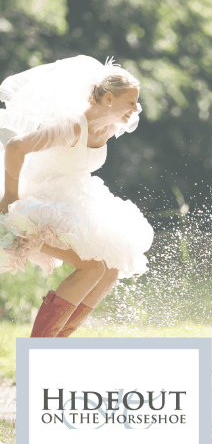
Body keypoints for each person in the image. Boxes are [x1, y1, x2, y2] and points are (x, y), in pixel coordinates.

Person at [0, 55, 154, 337]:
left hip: (74, 195)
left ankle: (53, 350)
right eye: (131, 102)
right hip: (39, 198)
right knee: (93, 267)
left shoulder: (109, 125)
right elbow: (15, 147)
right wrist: (10, 198)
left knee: (110, 268)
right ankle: (37, 356)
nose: (136, 108)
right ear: (108, 98)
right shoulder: (71, 127)